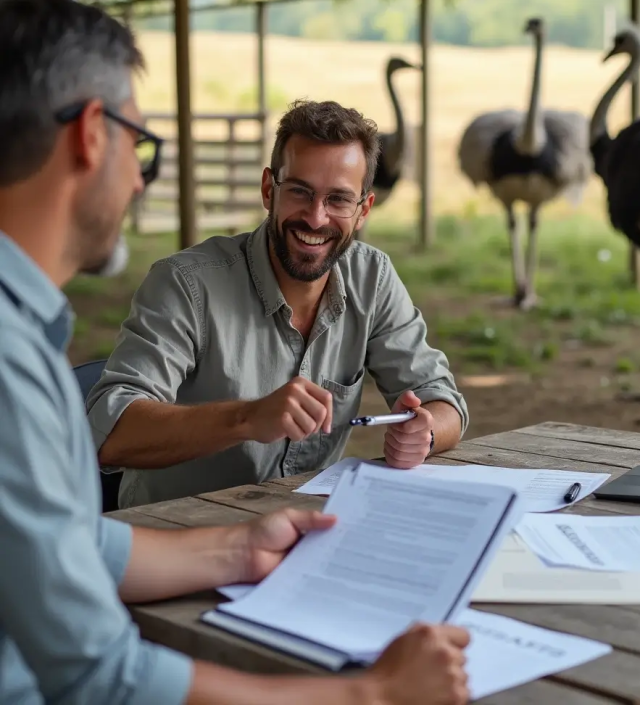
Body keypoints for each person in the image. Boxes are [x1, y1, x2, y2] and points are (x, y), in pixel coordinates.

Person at [0, 2, 472, 704]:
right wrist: (371, 695)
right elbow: (102, 675)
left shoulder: (27, 332)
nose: (140, 180)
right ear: (95, 135)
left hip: (254, 567)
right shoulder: (56, 338)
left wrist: (241, 547)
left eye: (337, 200)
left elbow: (66, 548)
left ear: (363, 209)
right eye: (141, 143)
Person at [86, 105, 469, 510]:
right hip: (175, 536)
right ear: (269, 190)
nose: (316, 218)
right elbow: (110, 433)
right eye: (300, 192)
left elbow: (443, 402)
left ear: (363, 211)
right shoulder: (185, 284)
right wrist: (247, 418)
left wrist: (423, 433)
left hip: (302, 531)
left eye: (338, 199)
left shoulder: (372, 277)